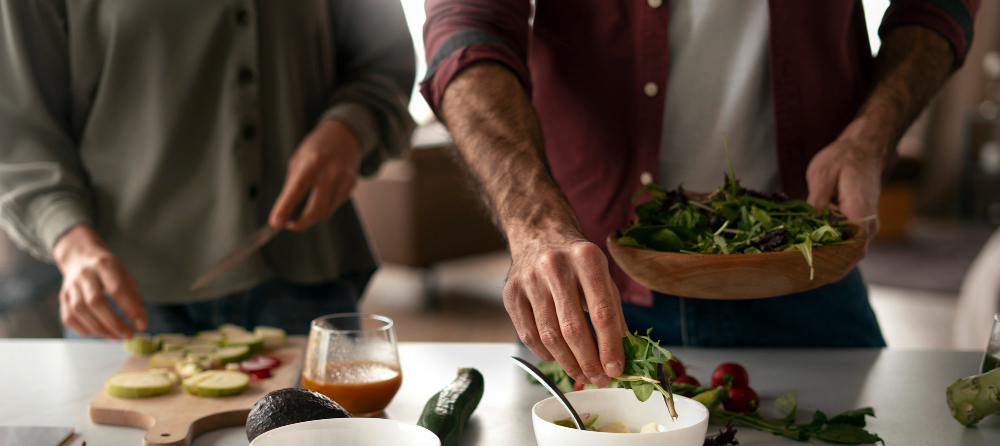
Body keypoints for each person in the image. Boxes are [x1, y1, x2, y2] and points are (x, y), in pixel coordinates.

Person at [421, 0, 980, 386]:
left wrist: (872, 134)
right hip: (590, 289)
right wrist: (534, 220)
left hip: (807, 271)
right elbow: (467, 27)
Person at [0, 0, 415, 338]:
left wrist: (349, 129)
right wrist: (74, 246)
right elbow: (17, 129)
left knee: (334, 442)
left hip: (303, 273)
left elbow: (384, 65)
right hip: (123, 299)